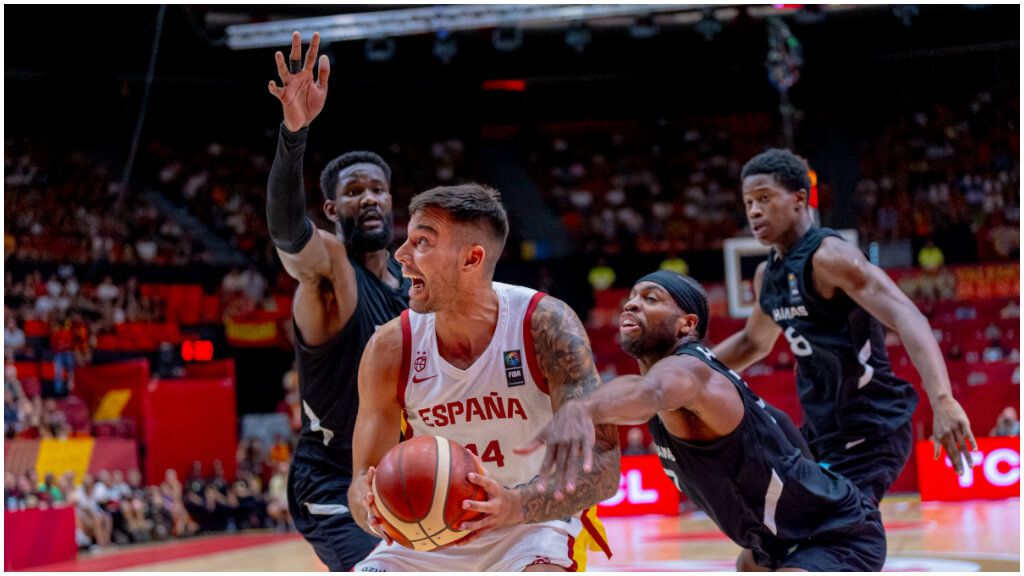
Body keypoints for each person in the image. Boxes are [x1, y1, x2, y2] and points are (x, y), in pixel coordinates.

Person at [523, 271, 886, 571]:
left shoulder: (689, 372)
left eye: (651, 298)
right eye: (632, 297)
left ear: (686, 324)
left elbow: (649, 393)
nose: (632, 303)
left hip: (838, 535)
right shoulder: (700, 374)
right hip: (781, 544)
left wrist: (581, 409)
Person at [349, 184, 619, 572]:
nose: (401, 256)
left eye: (421, 242)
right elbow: (361, 479)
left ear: (471, 258)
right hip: (429, 532)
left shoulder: (545, 326)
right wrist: (370, 505)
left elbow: (604, 465)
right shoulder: (390, 347)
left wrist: (516, 504)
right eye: (405, 241)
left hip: (532, 520)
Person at [712, 149, 976, 506]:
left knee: (828, 546)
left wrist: (943, 399)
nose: (754, 210)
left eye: (764, 198)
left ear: (799, 199)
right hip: (821, 432)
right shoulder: (767, 275)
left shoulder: (831, 257)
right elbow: (751, 343)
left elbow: (906, 315)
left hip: (870, 428)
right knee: (759, 558)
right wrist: (688, 367)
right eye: (748, 202)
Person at [266, 31, 410, 571]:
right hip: (330, 479)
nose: (368, 198)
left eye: (377, 189)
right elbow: (286, 232)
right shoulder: (331, 271)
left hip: (397, 469)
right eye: (353, 192)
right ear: (331, 208)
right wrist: (293, 135)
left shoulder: (412, 282)